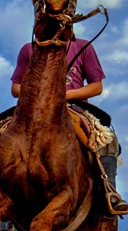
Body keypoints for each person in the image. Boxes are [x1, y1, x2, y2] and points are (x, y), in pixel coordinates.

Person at [10, 39, 128, 213]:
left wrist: (65, 94)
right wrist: (44, 95)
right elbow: (15, 88)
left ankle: (109, 191)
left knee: (108, 140)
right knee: (2, 133)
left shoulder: (83, 47)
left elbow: (97, 87)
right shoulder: (28, 49)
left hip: (75, 108)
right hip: (36, 109)